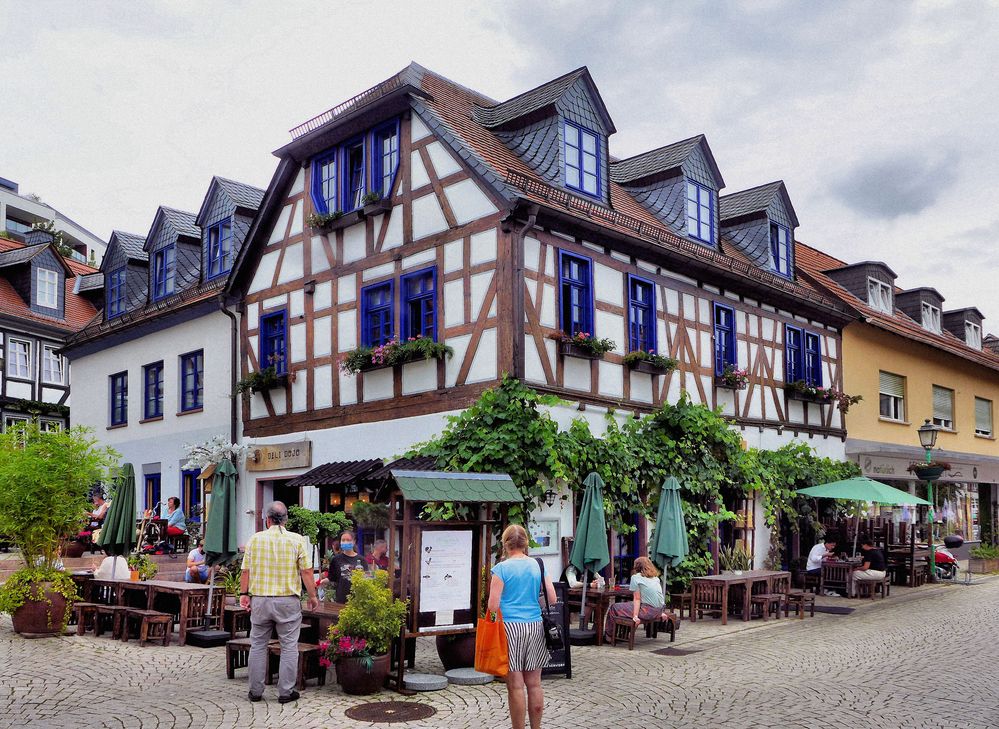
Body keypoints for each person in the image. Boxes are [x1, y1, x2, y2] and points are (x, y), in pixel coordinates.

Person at [240, 501, 319, 704]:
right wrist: (312, 596)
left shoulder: (255, 540)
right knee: (289, 646)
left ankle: (255, 692)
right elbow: (307, 571)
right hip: (287, 601)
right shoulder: (297, 540)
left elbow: (245, 571)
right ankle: (285, 692)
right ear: (285, 520)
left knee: (257, 645)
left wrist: (244, 594)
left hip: (260, 600)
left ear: (267, 520)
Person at [487, 524, 557, 729]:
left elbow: (492, 606)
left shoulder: (501, 569)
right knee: (534, 684)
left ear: (506, 545)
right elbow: (551, 598)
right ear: (525, 543)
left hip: (510, 629)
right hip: (535, 626)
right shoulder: (538, 566)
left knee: (516, 686)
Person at [603, 557, 674, 641]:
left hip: (647, 611)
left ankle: (609, 636)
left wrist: (635, 616)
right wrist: (660, 612)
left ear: (637, 567)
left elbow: (637, 599)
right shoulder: (656, 578)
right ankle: (624, 634)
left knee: (614, 607)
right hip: (659, 610)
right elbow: (657, 597)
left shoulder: (635, 578)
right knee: (628, 606)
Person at [327, 530, 367, 603]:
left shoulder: (362, 560)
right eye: (343, 540)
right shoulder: (336, 559)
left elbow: (366, 579)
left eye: (348, 540)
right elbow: (332, 578)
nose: (345, 542)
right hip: (341, 598)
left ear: (354, 541)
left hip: (358, 598)